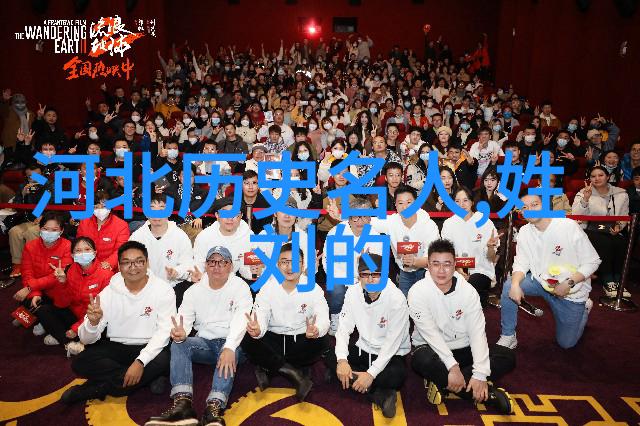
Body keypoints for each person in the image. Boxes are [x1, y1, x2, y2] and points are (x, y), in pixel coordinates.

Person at [145, 246, 252, 426]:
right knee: (179, 344)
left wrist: (229, 346)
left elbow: (241, 320)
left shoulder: (240, 287)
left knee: (230, 351)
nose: (216, 266)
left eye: (222, 262)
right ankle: (183, 405)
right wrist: (181, 333)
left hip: (234, 344)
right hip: (205, 344)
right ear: (206, 265)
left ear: (230, 266)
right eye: (212, 262)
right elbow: (184, 319)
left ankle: (213, 408)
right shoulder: (193, 291)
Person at [409, 239, 515, 414]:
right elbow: (430, 335)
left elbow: (477, 333)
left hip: (463, 348)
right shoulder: (417, 292)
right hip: (432, 349)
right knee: (421, 361)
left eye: (447, 264)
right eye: (436, 264)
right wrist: (452, 367)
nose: (441, 270)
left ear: (455, 265)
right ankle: (488, 395)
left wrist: (480, 373)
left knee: (507, 356)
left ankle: (444, 382)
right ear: (428, 265)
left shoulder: (468, 291)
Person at [62, 241, 176, 403]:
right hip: (117, 347)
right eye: (126, 262)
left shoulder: (163, 290)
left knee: (166, 359)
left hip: (149, 346)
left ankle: (98, 388)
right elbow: (87, 339)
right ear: (119, 266)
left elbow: (164, 332)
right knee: (80, 362)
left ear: (147, 263)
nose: (133, 267)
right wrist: (92, 324)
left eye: (139, 261)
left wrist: (140, 361)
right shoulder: (109, 291)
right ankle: (140, 378)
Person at [497, 192, 601, 350]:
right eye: (524, 207)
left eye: (535, 205)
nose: (529, 210)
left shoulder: (568, 226)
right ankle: (508, 335)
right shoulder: (524, 231)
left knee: (566, 343)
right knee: (509, 285)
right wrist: (516, 284)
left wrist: (569, 283)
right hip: (541, 283)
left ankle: (584, 308)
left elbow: (593, 261)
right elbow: (521, 262)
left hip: (570, 291)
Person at [324, 254, 410, 419]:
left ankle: (351, 379)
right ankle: (379, 394)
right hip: (363, 347)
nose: (370, 279)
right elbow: (343, 329)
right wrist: (342, 361)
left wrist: (371, 374)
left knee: (397, 375)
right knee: (329, 354)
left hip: (390, 355)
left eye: (376, 274)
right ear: (359, 276)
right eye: (365, 274)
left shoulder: (396, 298)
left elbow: (392, 344)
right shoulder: (352, 292)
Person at [241, 243, 330, 400]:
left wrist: (316, 329)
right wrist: (258, 329)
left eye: (295, 262)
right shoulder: (268, 287)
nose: (290, 267)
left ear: (302, 265)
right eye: (284, 262)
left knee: (323, 340)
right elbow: (260, 314)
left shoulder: (313, 288)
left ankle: (270, 367)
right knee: (247, 337)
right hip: (273, 339)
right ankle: (294, 373)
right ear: (277, 264)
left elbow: (323, 317)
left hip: (301, 338)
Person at [322, 197, 383, 334]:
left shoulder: (375, 235)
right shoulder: (335, 232)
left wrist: (364, 266)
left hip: (365, 277)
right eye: (356, 216)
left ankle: (367, 320)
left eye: (365, 216)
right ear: (349, 218)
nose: (360, 221)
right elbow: (327, 260)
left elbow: (378, 265)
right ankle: (335, 316)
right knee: (336, 289)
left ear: (370, 218)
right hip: (340, 276)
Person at [12, 211, 73, 344]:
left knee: (44, 308)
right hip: (38, 289)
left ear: (61, 231)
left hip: (58, 291)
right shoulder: (30, 246)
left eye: (54, 230)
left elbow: (56, 277)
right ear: (40, 229)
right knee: (27, 300)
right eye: (45, 228)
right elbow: (27, 273)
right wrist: (35, 293)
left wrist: (30, 287)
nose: (49, 232)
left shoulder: (67, 246)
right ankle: (40, 319)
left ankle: (46, 323)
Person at [369, 186, 441, 297]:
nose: (405, 207)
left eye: (409, 202)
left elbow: (434, 259)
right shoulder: (392, 221)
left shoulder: (428, 225)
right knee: (403, 302)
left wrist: (415, 261)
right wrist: (343, 216)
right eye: (400, 203)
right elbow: (366, 221)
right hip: (405, 273)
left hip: (426, 273)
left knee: (425, 301)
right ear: (395, 205)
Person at [572, 166, 630, 297]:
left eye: (600, 175)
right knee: (604, 242)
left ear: (608, 177)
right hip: (589, 229)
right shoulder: (583, 192)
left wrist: (619, 227)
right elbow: (576, 215)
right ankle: (608, 280)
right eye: (593, 176)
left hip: (612, 229)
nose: (597, 178)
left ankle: (619, 281)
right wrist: (586, 199)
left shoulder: (621, 194)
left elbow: (624, 215)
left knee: (620, 242)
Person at [129, 194, 195, 307]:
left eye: (161, 209)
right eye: (152, 208)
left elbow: (187, 263)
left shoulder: (180, 236)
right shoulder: (137, 237)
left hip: (174, 287)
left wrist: (177, 271)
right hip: (145, 289)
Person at [441, 187, 501, 307]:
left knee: (468, 288)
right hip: (455, 269)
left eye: (465, 200)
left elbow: (491, 258)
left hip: (480, 270)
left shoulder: (484, 222)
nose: (461, 205)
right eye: (457, 201)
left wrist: (490, 247)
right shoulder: (449, 224)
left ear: (472, 202)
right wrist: (458, 269)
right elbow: (448, 254)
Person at [63, 237, 115, 355]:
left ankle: (76, 342)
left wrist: (76, 327)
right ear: (72, 255)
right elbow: (66, 301)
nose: (83, 254)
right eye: (78, 250)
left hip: (95, 318)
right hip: (76, 313)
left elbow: (103, 309)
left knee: (105, 331)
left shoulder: (106, 274)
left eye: (87, 249)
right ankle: (73, 342)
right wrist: (63, 283)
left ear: (95, 253)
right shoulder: (71, 270)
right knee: (45, 310)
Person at [193, 197, 254, 281]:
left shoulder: (249, 236)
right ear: (217, 215)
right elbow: (199, 265)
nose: (230, 218)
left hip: (237, 279)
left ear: (241, 216)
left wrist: (254, 271)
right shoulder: (204, 236)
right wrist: (198, 275)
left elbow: (250, 271)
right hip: (209, 279)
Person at [76, 190, 130, 271]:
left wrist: (109, 263)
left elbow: (120, 250)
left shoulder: (121, 225)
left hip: (108, 269)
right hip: (86, 265)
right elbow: (78, 246)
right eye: (96, 207)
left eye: (104, 206)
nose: (100, 210)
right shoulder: (84, 222)